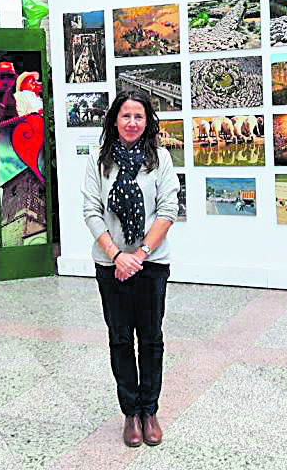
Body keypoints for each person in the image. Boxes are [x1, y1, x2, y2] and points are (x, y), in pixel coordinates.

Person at [81, 89, 179, 449]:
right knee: (120, 337)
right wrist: (116, 255)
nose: (132, 123)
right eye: (126, 116)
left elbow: (168, 208)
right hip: (110, 265)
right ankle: (130, 413)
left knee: (151, 338)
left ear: (147, 121)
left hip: (151, 264)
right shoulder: (97, 160)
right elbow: (92, 210)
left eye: (139, 116)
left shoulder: (160, 159)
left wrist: (138, 255)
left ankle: (149, 411)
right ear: (115, 121)